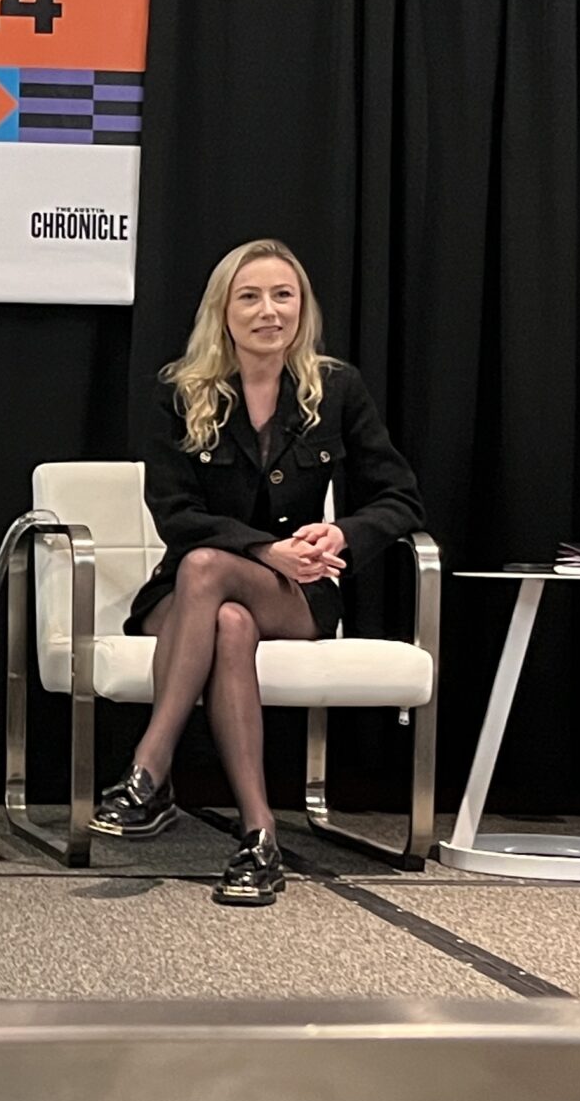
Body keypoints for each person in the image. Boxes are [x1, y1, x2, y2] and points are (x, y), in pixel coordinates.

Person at [98, 239, 424, 906]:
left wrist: (343, 532)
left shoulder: (337, 389)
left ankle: (148, 772)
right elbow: (175, 513)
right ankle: (260, 837)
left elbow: (400, 499)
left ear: (302, 310)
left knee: (218, 579)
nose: (268, 311)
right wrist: (262, 548)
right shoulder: (180, 392)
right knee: (223, 609)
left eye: (284, 296)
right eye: (250, 297)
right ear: (223, 311)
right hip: (183, 592)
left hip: (298, 593)